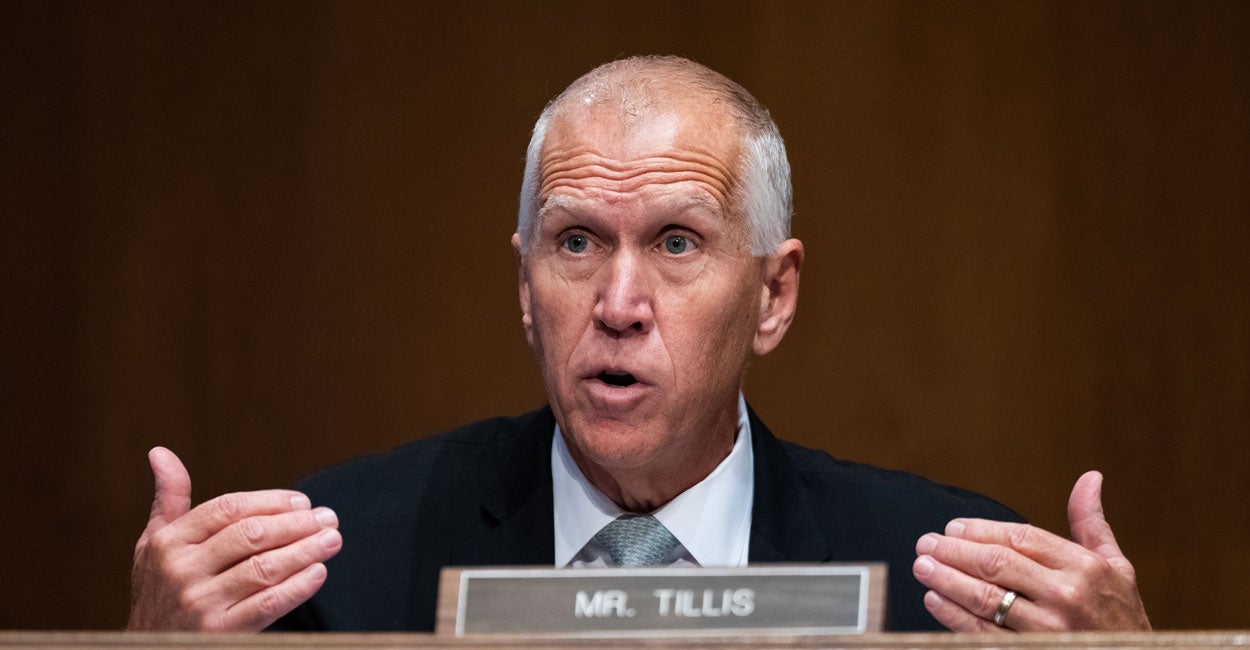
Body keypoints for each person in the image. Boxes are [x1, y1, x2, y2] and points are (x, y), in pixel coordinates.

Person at [127, 56, 1151, 634]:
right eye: (575, 242)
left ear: (773, 295)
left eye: (676, 242)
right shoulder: (327, 572)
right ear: (525, 287)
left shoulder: (950, 584)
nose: (618, 303)